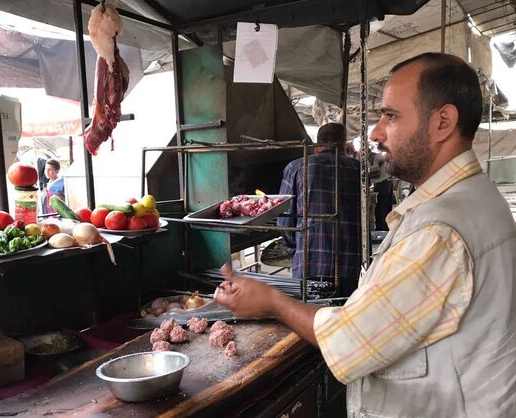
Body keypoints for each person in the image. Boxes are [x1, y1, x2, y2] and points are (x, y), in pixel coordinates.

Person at [215, 52, 516, 418]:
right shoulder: (479, 197)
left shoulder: (439, 230)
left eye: (390, 115)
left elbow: (347, 342)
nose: (374, 131)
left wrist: (272, 301)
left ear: (443, 123)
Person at [278, 122, 361, 297]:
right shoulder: (358, 169)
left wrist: (295, 249)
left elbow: (285, 220)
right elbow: (366, 219)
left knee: (308, 319)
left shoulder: (296, 168)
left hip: (308, 262)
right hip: (348, 264)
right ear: (343, 143)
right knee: (342, 317)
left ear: (316, 146)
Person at [369, 150, 394, 230]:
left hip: (381, 183)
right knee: (386, 207)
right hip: (388, 181)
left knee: (380, 208)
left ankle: (381, 228)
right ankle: (387, 228)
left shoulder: (373, 158)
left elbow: (375, 174)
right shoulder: (377, 155)